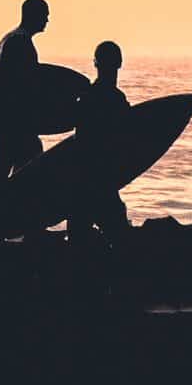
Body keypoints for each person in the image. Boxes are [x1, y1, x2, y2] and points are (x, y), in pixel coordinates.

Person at [0, 0, 51, 195]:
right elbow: (23, 86)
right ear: (33, 15)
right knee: (30, 173)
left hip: (7, 123)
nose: (47, 20)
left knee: (2, 172)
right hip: (17, 124)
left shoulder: (9, 39)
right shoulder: (20, 42)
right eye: (44, 14)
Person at [69, 41, 131, 240]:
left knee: (77, 239)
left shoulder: (85, 98)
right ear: (120, 63)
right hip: (103, 182)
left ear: (95, 63)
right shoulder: (117, 101)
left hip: (80, 182)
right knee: (120, 238)